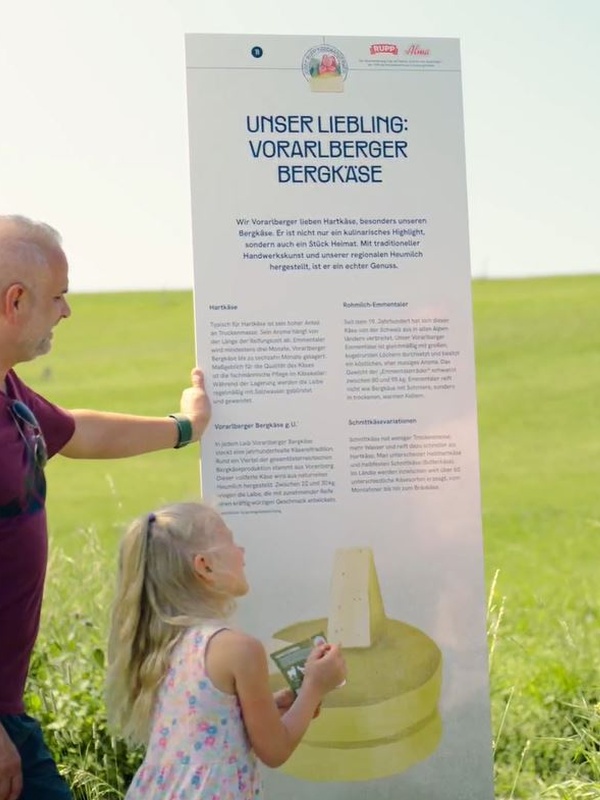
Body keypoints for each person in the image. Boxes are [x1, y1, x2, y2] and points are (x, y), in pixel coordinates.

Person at [0, 214, 212, 800]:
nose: (66, 312)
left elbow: (78, 432)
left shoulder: (9, 390)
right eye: (58, 297)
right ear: (15, 301)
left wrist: (185, 427)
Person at [105, 502, 346, 799]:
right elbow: (275, 750)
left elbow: (203, 722)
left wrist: (270, 708)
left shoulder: (167, 643)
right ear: (204, 566)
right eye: (231, 541)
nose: (241, 552)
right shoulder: (239, 649)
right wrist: (314, 687)